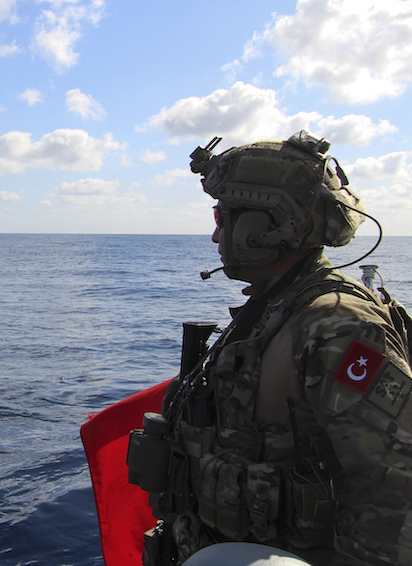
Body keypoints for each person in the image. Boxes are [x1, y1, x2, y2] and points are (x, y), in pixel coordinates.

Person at [135, 131, 412, 566]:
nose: (214, 236)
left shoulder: (336, 325)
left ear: (262, 228)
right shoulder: (273, 307)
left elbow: (397, 483)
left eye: (222, 218)